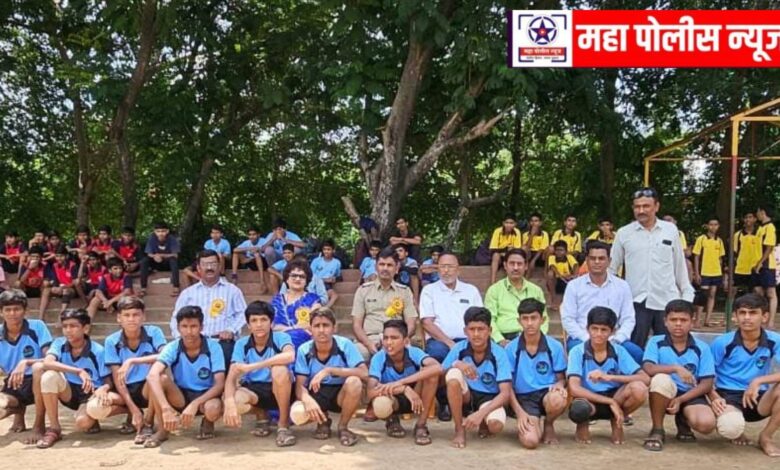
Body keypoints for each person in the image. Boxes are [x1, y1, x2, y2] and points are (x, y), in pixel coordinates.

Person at [610, 187, 694, 348]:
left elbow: (679, 266)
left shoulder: (670, 230)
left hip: (667, 301)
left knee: (667, 349)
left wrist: (686, 296)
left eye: (646, 206)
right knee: (634, 349)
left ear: (656, 206)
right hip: (635, 302)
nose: (641, 210)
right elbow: (612, 269)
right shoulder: (624, 233)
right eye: (637, 206)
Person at [31, 308, 117, 449]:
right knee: (48, 376)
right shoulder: (59, 343)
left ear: (85, 328)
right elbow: (47, 362)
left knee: (83, 422)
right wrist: (78, 371)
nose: (68, 330)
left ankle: (91, 418)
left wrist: (104, 389)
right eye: (65, 326)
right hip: (69, 392)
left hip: (89, 394)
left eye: (73, 326)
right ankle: (54, 428)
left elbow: (108, 380)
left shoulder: (97, 351)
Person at [709, 293, 780, 457]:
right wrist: (714, 398)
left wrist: (758, 381)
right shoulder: (722, 342)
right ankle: (734, 426)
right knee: (731, 427)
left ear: (764, 317)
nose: (747, 318)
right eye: (742, 313)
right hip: (728, 395)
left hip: (759, 396)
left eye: (753, 313)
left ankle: (766, 437)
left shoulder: (775, 340)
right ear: (735, 316)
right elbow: (706, 376)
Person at [566, 306, 650, 445]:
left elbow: (645, 378)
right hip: (589, 398)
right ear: (587, 328)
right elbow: (574, 388)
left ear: (613, 331)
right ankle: (583, 423)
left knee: (639, 389)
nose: (598, 334)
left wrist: (609, 377)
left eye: (604, 330)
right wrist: (610, 402)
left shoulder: (618, 351)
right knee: (579, 409)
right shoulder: (577, 351)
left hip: (616, 396)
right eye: (594, 328)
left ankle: (616, 420)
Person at [641, 299, 717, 452]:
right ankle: (657, 429)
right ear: (665, 321)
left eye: (683, 320)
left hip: (691, 394)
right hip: (665, 392)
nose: (678, 324)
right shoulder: (656, 342)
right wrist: (675, 368)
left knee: (706, 424)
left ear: (692, 322)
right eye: (673, 319)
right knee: (660, 379)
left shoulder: (702, 347)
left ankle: (683, 421)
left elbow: (707, 383)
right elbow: (648, 368)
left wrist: (681, 400)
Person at [146, 306, 226, 447]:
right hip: (180, 395)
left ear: (201, 327)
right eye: (184, 326)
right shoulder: (173, 347)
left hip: (206, 396)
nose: (189, 331)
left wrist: (195, 404)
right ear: (178, 328)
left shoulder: (214, 347)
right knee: (160, 379)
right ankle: (163, 429)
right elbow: (152, 375)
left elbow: (219, 384)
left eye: (193, 326)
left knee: (213, 409)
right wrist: (165, 408)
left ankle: (208, 421)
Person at [419, 252, 483, 422]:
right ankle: (444, 402)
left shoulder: (471, 290)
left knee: (479, 354)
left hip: (468, 339)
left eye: (450, 266)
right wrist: (449, 343)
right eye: (442, 267)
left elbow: (479, 319)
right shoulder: (429, 290)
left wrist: (470, 340)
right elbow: (427, 323)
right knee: (438, 355)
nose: (446, 271)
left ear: (458, 270)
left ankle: (469, 401)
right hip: (439, 341)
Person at [290, 307, 367, 447]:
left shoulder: (345, 345)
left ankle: (343, 427)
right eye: (316, 326)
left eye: (325, 325)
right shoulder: (304, 350)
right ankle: (323, 421)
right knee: (298, 413)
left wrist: (329, 370)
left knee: (354, 382)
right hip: (317, 394)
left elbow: (364, 373)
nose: (321, 330)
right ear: (310, 329)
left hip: (341, 394)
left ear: (334, 328)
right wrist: (307, 400)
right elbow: (300, 385)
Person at [223, 301, 296, 447]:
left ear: (271, 323)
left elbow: (290, 355)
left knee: (279, 370)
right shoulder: (242, 344)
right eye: (254, 320)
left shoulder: (280, 337)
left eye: (263, 319)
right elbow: (232, 376)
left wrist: (253, 366)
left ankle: (283, 424)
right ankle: (262, 415)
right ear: (248, 325)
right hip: (254, 389)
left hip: (281, 388)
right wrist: (229, 403)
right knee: (235, 399)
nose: (259, 324)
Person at [561, 240, 643, 363]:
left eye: (601, 258)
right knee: (575, 352)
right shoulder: (574, 286)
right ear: (587, 260)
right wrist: (589, 338)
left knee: (638, 354)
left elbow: (629, 318)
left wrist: (617, 339)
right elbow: (568, 319)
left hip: (614, 338)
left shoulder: (622, 286)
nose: (597, 262)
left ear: (609, 261)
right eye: (593, 258)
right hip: (582, 338)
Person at [443, 306, 512, 449]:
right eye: (472, 329)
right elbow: (441, 372)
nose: (476, 334)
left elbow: (505, 393)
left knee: (495, 425)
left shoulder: (499, 353)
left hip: (489, 398)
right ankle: (459, 429)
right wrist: (457, 364)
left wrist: (480, 414)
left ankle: (483, 422)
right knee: (453, 375)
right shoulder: (459, 348)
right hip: (467, 395)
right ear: (465, 331)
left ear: (490, 330)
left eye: (481, 329)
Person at [103, 296, 167, 445]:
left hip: (147, 387)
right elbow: (117, 378)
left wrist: (132, 360)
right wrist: (134, 410)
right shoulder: (111, 341)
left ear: (143, 317)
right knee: (95, 408)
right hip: (125, 389)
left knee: (157, 375)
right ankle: (133, 414)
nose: (131, 319)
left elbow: (165, 355)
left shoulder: (154, 332)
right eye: (126, 315)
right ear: (119, 318)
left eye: (136, 314)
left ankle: (148, 422)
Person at [504, 298, 567, 449]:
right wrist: (519, 412)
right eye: (525, 318)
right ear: (519, 321)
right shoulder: (511, 349)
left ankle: (549, 423)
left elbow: (561, 378)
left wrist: (560, 385)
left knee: (558, 399)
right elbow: (507, 386)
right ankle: (532, 423)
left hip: (547, 394)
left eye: (534, 318)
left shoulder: (555, 347)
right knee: (530, 441)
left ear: (542, 320)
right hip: (524, 398)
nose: (530, 323)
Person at [367, 319, 441, 445]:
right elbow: (370, 391)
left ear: (406, 341)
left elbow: (437, 367)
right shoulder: (379, 357)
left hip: (417, 397)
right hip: (392, 398)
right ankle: (391, 420)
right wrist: (404, 388)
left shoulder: (413, 352)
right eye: (385, 338)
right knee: (380, 404)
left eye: (394, 338)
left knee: (431, 375)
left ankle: (421, 425)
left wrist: (401, 382)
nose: (389, 342)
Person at [170, 250, 247, 366]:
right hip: (194, 341)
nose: (209, 268)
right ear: (198, 268)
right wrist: (179, 337)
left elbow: (243, 314)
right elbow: (176, 318)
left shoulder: (232, 290)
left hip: (222, 342)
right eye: (205, 264)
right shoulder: (188, 293)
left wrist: (231, 330)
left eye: (213, 264)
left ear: (219, 266)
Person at [0, 289, 52, 438]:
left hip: (38, 380)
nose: (12, 313)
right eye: (7, 310)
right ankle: (18, 411)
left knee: (38, 369)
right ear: (1, 312)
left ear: (25, 311)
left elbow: (50, 359)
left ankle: (39, 424)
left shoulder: (37, 327)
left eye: (17, 309)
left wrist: (26, 362)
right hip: (13, 382)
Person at [352, 247, 417, 361]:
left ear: (397, 268)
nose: (385, 268)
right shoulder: (363, 290)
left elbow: (411, 324)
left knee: (412, 356)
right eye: (382, 264)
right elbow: (356, 325)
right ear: (376, 267)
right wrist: (369, 344)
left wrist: (398, 340)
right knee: (357, 355)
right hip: (368, 340)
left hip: (397, 340)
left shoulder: (405, 291)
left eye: (389, 265)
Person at [484, 249, 547, 345]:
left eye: (519, 264)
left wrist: (538, 338)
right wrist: (500, 340)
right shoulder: (494, 290)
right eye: (512, 263)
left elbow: (544, 318)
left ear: (526, 266)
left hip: (532, 337)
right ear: (505, 265)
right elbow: (489, 319)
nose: (516, 268)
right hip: (504, 337)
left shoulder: (536, 290)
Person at [272, 259, 322, 349]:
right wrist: (298, 327)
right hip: (277, 341)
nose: (298, 279)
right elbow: (271, 326)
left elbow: (314, 324)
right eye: (294, 275)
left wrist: (287, 329)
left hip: (303, 343)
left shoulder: (313, 299)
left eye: (302, 276)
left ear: (307, 281)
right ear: (287, 279)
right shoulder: (277, 300)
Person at [692, 217, 726, 327]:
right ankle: (697, 319)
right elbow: (696, 256)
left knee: (712, 294)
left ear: (718, 226)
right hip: (704, 271)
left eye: (715, 225)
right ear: (707, 226)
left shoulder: (719, 241)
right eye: (711, 224)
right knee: (703, 295)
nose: (713, 227)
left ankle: (707, 320)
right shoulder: (701, 239)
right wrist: (696, 272)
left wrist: (722, 273)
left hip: (716, 272)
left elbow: (720, 258)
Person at [139, 222, 180, 297]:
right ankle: (143, 288)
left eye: (163, 231)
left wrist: (161, 255)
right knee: (144, 261)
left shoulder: (172, 239)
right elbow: (149, 253)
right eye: (158, 231)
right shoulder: (152, 238)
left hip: (167, 263)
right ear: (155, 232)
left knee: (173, 260)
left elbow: (175, 255)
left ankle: (176, 287)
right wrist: (155, 256)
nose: (161, 233)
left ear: (167, 231)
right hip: (156, 262)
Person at [754, 204, 778, 327]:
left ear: (762, 212)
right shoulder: (760, 228)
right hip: (757, 263)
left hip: (767, 264)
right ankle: (760, 318)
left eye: (757, 211)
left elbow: (769, 247)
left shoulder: (770, 227)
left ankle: (771, 322)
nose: (756, 214)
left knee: (770, 292)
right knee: (758, 291)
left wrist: (761, 262)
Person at [15, 247, 51, 319]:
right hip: (27, 289)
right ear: (29, 257)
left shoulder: (45, 266)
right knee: (17, 284)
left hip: (39, 289)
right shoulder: (25, 265)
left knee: (46, 285)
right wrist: (29, 269)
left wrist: (39, 280)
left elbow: (48, 279)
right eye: (33, 256)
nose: (35, 259)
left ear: (41, 258)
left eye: (37, 257)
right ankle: (24, 312)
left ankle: (41, 317)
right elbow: (21, 280)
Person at [231, 225, 267, 292]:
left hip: (263, 263)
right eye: (250, 235)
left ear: (258, 235)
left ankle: (262, 281)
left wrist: (257, 250)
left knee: (256, 255)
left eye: (254, 234)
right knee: (236, 253)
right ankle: (234, 276)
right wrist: (249, 248)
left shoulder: (264, 241)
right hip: (251, 262)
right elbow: (235, 250)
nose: (251, 236)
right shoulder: (247, 242)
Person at [488, 213, 523, 284]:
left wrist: (509, 251)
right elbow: (493, 248)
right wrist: (505, 251)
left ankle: (513, 282)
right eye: (507, 223)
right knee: (496, 255)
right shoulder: (497, 231)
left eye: (511, 223)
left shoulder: (517, 232)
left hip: (511, 255)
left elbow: (517, 249)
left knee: (514, 256)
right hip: (499, 256)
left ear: (515, 224)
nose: (509, 225)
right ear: (503, 223)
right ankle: (492, 282)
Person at [733, 211, 762, 295]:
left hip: (756, 267)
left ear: (755, 219)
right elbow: (734, 252)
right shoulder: (737, 235)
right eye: (746, 217)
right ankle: (731, 304)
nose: (748, 219)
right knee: (733, 290)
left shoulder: (761, 232)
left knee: (757, 291)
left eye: (750, 217)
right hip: (740, 268)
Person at [546, 240, 578, 307]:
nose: (559, 252)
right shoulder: (552, 257)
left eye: (561, 250)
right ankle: (553, 298)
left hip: (568, 281)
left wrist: (573, 275)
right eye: (557, 250)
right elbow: (552, 267)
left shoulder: (569, 257)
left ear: (566, 251)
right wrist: (561, 276)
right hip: (557, 281)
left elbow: (576, 266)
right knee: (550, 274)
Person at [310, 239, 341, 307]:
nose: (326, 251)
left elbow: (339, 276)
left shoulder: (337, 262)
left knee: (334, 295)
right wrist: (324, 279)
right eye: (324, 249)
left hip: (327, 285)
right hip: (314, 284)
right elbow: (310, 275)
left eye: (328, 249)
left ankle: (324, 309)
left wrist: (334, 279)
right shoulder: (316, 261)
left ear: (333, 250)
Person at [47, 247, 78, 314]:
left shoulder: (72, 265)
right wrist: (55, 287)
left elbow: (75, 282)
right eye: (57, 256)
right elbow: (55, 279)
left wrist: (64, 287)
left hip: (72, 289)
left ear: (66, 256)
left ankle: (62, 314)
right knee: (46, 290)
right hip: (61, 288)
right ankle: (41, 317)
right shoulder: (54, 265)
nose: (59, 258)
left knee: (66, 291)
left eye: (61, 256)